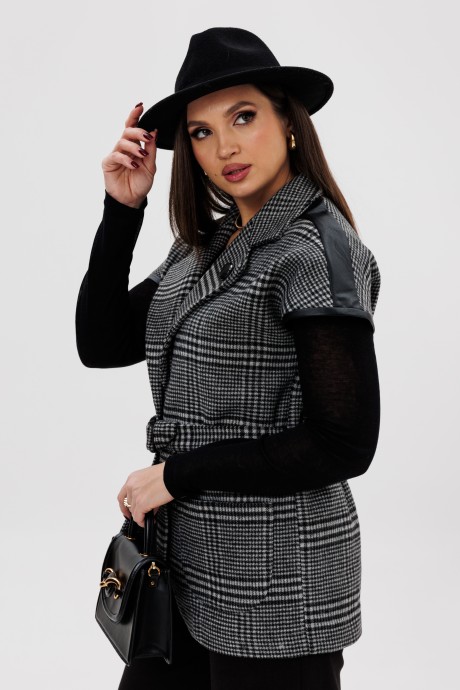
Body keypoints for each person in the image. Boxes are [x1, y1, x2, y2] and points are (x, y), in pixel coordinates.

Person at [76, 27, 380, 690]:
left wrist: (175, 475)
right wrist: (122, 210)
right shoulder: (205, 246)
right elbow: (102, 344)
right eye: (202, 132)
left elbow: (344, 443)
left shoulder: (315, 252)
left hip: (280, 588)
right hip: (185, 571)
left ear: (289, 123)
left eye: (243, 117)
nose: (225, 147)